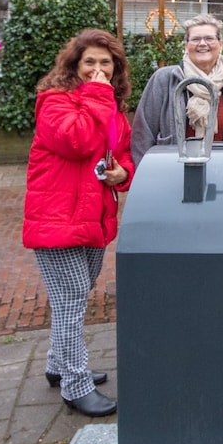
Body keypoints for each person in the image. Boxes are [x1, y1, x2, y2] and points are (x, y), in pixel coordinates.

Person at [22, 28, 134, 417]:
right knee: (71, 301)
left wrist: (124, 174)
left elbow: (120, 153)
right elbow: (77, 142)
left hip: (94, 218)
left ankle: (58, 365)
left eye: (107, 63)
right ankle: (75, 384)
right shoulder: (54, 102)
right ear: (74, 65)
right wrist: (98, 95)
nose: (98, 70)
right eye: (90, 62)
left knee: (72, 297)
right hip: (57, 219)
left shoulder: (111, 108)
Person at [131, 13, 223, 167]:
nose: (202, 44)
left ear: (221, 44)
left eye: (209, 38)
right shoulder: (164, 80)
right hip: (169, 173)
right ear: (186, 45)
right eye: (196, 39)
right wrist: (146, 174)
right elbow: (142, 135)